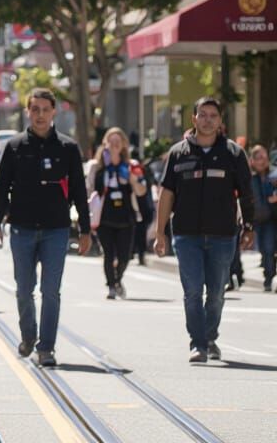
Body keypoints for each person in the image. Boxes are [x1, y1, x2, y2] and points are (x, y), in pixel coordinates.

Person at [0, 88, 92, 367]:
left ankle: (46, 347)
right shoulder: (14, 147)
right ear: (27, 112)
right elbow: (1, 188)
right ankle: (28, 335)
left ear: (53, 112)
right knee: (24, 289)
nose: (40, 115)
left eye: (45, 110)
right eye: (35, 109)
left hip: (56, 230)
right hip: (21, 229)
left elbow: (79, 191)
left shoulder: (68, 148)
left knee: (51, 291)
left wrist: (85, 230)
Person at [154, 97, 256, 363]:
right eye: (203, 115)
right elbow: (167, 194)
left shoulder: (233, 153)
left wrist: (249, 226)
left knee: (216, 293)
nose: (208, 120)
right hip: (186, 235)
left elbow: (246, 194)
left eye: (213, 115)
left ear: (220, 121)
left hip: (223, 235)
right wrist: (160, 232)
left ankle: (210, 337)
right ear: (194, 119)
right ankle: (198, 343)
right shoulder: (178, 153)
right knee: (192, 292)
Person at [88, 128, 145, 300]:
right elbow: (89, 190)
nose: (114, 146)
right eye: (110, 142)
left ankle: (117, 279)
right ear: (105, 144)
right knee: (108, 254)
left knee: (124, 256)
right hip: (104, 217)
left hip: (126, 217)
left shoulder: (131, 165)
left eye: (117, 142)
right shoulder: (97, 167)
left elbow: (142, 191)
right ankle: (111, 286)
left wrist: (132, 179)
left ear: (123, 145)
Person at [250, 145, 277, 291]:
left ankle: (270, 278)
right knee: (263, 250)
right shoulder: (250, 178)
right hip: (257, 220)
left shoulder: (274, 174)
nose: (262, 160)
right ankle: (269, 276)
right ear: (253, 161)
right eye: (259, 157)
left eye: (264, 157)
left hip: (271, 219)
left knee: (269, 248)